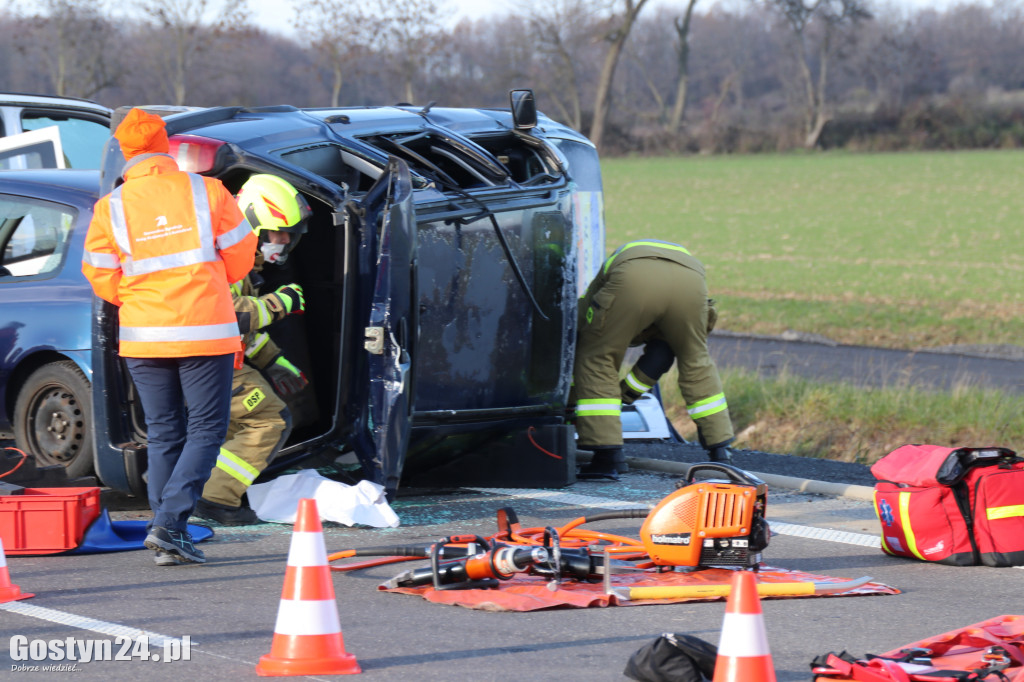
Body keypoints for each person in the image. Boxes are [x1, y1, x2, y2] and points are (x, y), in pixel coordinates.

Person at [81, 108, 256, 564]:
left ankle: (166, 533)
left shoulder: (111, 207)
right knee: (206, 430)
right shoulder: (206, 190)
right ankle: (169, 524)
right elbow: (241, 256)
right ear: (163, 144)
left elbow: (100, 276)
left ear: (125, 151)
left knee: (163, 433)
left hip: (144, 335)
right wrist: (210, 284)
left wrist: (141, 299)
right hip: (205, 331)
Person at [193, 174, 311, 526]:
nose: (284, 241)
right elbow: (229, 315)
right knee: (268, 420)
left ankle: (210, 492)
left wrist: (273, 360)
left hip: (211, 358)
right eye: (277, 232)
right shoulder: (224, 258)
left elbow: (244, 335)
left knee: (233, 428)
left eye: (289, 234)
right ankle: (214, 501)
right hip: (209, 360)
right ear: (253, 224)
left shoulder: (240, 258)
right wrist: (281, 302)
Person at [573, 239, 734, 480]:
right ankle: (720, 450)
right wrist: (625, 395)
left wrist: (575, 400)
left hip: (633, 276)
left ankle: (607, 458)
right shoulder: (662, 321)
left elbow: (581, 327)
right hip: (690, 280)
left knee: (597, 357)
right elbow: (661, 356)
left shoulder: (608, 278)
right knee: (695, 359)